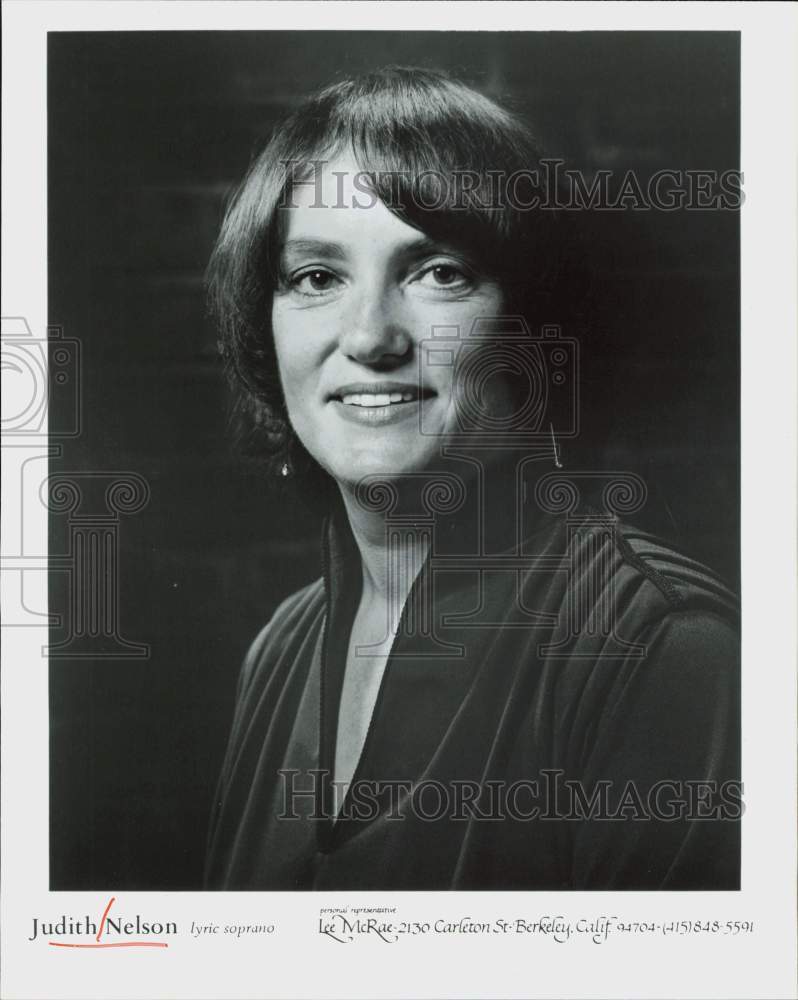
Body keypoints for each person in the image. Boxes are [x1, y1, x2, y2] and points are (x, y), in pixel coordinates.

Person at [204, 67, 740, 890]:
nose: (372, 336)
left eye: (439, 272)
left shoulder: (662, 649)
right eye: (317, 277)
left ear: (534, 323)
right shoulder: (280, 649)